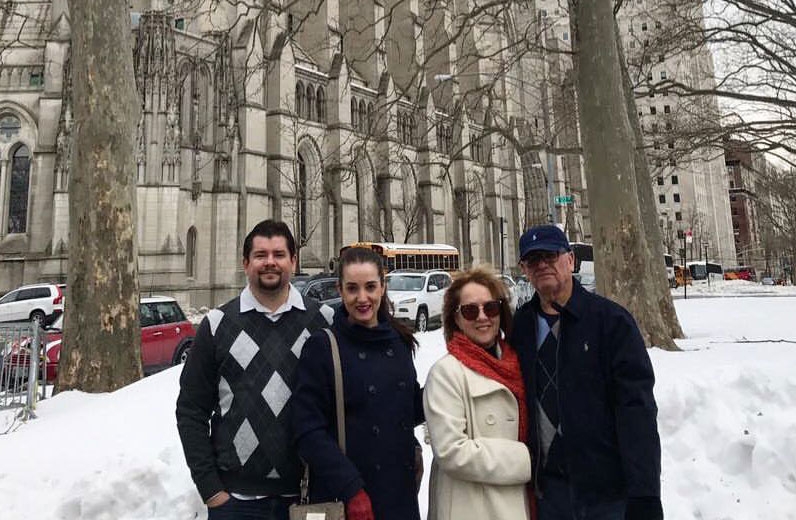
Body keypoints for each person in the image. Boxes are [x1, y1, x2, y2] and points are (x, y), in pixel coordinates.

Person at [176, 219, 334, 519]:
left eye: (279, 254)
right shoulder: (217, 326)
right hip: (236, 503)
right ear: (246, 263)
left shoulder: (324, 322)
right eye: (261, 255)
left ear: (294, 261)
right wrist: (210, 489)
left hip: (309, 498)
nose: (270, 263)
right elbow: (190, 410)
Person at [510, 224, 662, 520]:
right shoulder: (520, 328)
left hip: (605, 494)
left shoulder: (611, 322)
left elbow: (636, 410)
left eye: (550, 256)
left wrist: (645, 493)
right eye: (533, 259)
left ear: (570, 260)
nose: (542, 265)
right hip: (546, 493)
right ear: (524, 269)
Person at [291, 246, 424, 520]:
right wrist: (352, 489)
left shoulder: (398, 341)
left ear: (383, 287)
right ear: (340, 290)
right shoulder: (323, 347)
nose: (362, 298)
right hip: (349, 498)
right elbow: (307, 431)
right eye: (352, 289)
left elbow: (407, 410)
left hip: (399, 496)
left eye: (370, 287)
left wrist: (448, 383)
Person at [423, 266, 533, 520]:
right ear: (456, 319)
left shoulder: (519, 364)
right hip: (472, 508)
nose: (482, 317)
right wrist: (528, 459)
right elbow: (452, 452)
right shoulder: (446, 373)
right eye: (471, 311)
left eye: (490, 308)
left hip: (518, 503)